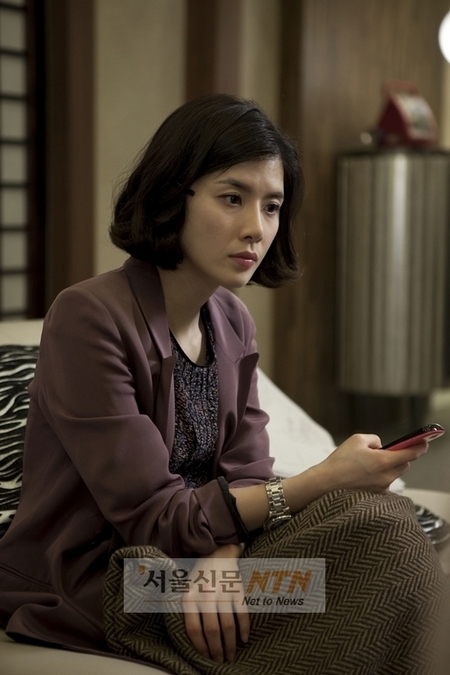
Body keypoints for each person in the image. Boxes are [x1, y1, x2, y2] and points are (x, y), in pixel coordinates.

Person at [0, 94, 445, 674]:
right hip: (116, 579)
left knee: (387, 522)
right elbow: (157, 519)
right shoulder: (88, 317)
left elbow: (247, 471)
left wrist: (223, 556)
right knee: (374, 566)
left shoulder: (231, 320)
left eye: (272, 206)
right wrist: (326, 476)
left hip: (202, 556)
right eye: (232, 198)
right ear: (173, 195)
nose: (256, 228)